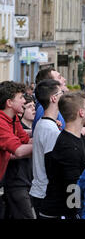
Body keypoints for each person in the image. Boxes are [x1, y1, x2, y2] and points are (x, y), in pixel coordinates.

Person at [29, 79, 64, 218]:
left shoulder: (44, 125)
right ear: (54, 98)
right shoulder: (50, 130)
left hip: (41, 192)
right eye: (62, 93)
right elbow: (53, 167)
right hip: (47, 194)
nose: (64, 96)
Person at [0, 82, 33, 218]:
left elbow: (26, 141)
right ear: (9, 102)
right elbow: (18, 150)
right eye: (20, 97)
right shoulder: (1, 122)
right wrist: (45, 144)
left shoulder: (14, 119)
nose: (24, 101)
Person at [32, 68, 68, 132]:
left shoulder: (52, 106)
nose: (64, 79)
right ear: (50, 84)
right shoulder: (43, 109)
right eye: (59, 77)